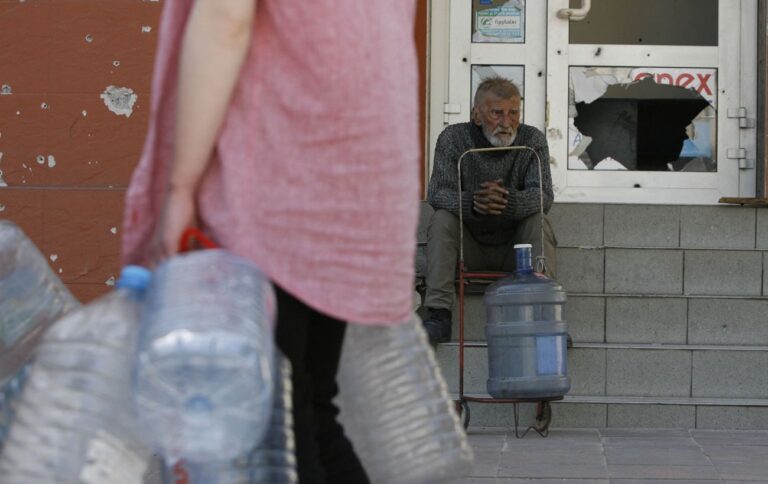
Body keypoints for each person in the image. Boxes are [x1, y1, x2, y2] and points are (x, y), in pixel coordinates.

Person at [121, 1, 420, 482]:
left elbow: (226, 18)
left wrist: (180, 187)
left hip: (277, 171)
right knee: (311, 407)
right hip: (355, 173)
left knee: (273, 421)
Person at [422, 77, 557, 344]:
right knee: (441, 219)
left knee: (539, 220)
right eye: (497, 113)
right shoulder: (453, 138)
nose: (507, 122)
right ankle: (437, 313)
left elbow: (544, 195)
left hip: (515, 251)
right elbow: (437, 194)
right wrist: (473, 202)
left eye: (513, 112)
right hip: (468, 246)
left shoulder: (533, 140)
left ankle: (545, 317)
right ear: (476, 114)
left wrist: (508, 202)